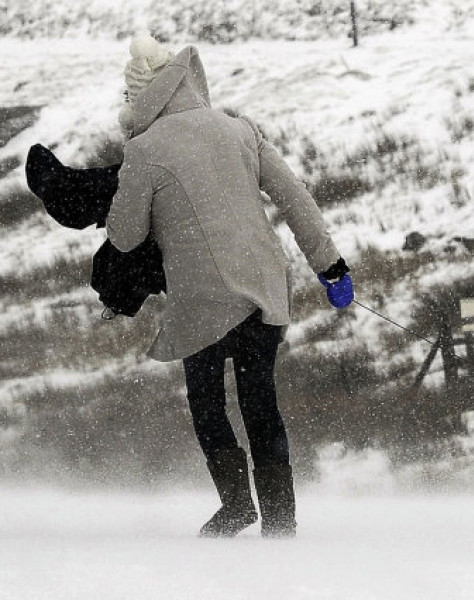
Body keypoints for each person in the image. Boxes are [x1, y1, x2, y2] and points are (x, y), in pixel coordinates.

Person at [106, 34, 354, 538]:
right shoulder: (239, 129)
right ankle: (282, 525)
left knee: (207, 403)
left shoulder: (144, 149)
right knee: (261, 402)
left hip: (200, 298)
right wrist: (331, 267)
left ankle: (237, 503)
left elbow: (125, 236)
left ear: (139, 96)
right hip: (262, 288)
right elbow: (296, 199)